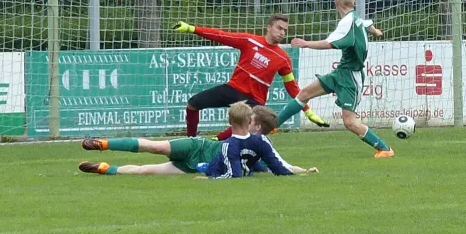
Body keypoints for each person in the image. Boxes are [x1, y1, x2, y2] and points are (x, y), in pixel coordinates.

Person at [275, 0, 394, 159]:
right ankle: (274, 125)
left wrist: (306, 43)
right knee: (305, 93)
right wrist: (375, 31)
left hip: (350, 78)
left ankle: (385, 148)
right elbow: (367, 24)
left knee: (349, 122)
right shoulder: (355, 18)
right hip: (341, 72)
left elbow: (329, 43)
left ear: (335, 3)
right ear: (354, 2)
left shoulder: (347, 23)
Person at [172, 14, 328, 140]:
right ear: (269, 27)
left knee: (248, 125)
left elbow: (292, 87)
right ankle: (190, 141)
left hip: (254, 100)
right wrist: (191, 29)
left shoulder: (283, 58)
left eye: (285, 30)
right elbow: (221, 35)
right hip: (232, 90)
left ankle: (216, 142)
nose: (282, 33)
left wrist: (307, 110)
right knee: (192, 104)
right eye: (279, 28)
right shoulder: (249, 41)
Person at [78, 103, 318, 176]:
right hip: (198, 146)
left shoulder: (258, 148)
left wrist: (304, 171)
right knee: (154, 146)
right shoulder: (247, 138)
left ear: (256, 126)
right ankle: (104, 144)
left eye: (252, 118)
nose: (248, 118)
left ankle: (105, 169)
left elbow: (279, 165)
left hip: (195, 168)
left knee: (146, 170)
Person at [198, 103, 319, 179]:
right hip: (208, 152)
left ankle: (206, 167)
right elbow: (279, 167)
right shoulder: (260, 141)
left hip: (204, 152)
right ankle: (206, 166)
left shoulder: (231, 145)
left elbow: (281, 165)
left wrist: (210, 178)